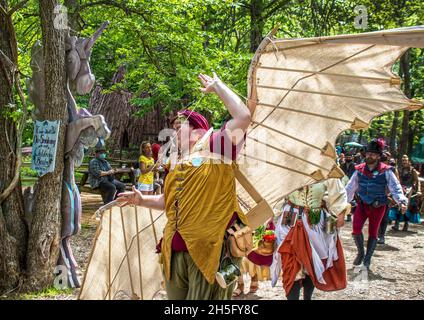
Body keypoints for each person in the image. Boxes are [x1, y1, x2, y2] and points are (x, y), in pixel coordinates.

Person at [117, 72, 251, 300]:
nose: (174, 131)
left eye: (180, 126)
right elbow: (167, 203)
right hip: (174, 248)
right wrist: (141, 200)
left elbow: (244, 116)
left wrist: (218, 86)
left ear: (199, 128)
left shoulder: (217, 144)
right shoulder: (176, 163)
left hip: (212, 247)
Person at [271, 179, 350, 300]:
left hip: (316, 222)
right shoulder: (289, 166)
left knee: (311, 264)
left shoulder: (326, 168)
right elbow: (277, 192)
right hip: (289, 218)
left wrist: (340, 213)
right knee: (290, 263)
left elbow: (338, 193)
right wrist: (271, 216)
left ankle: (307, 298)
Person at [345, 139, 407, 270]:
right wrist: (343, 202)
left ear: (378, 156)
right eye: (368, 153)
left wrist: (401, 201)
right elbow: (350, 188)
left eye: (373, 154)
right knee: (356, 229)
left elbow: (396, 188)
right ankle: (361, 253)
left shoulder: (386, 171)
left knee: (373, 232)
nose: (369, 156)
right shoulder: (359, 170)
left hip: (378, 206)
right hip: (362, 205)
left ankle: (367, 259)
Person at [389, 155, 421, 231]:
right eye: (403, 160)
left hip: (409, 190)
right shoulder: (399, 170)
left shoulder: (413, 170)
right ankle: (396, 224)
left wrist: (419, 190)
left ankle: (406, 225)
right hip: (401, 189)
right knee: (397, 205)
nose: (404, 162)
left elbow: (417, 181)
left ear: (408, 161)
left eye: (405, 160)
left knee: (408, 207)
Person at [88, 139, 126, 205]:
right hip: (98, 181)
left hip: (108, 179)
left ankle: (115, 202)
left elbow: (110, 169)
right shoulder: (93, 161)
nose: (102, 154)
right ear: (96, 154)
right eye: (101, 153)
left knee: (122, 186)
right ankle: (107, 205)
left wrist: (114, 171)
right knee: (112, 187)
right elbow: (98, 173)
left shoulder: (105, 161)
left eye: (103, 153)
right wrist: (108, 172)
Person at [377, 151, 399, 244]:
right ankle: (375, 234)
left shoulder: (392, 170)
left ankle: (382, 236)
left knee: (384, 217)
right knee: (375, 216)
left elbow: (396, 183)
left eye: (384, 161)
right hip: (375, 195)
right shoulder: (374, 168)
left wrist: (391, 196)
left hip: (387, 197)